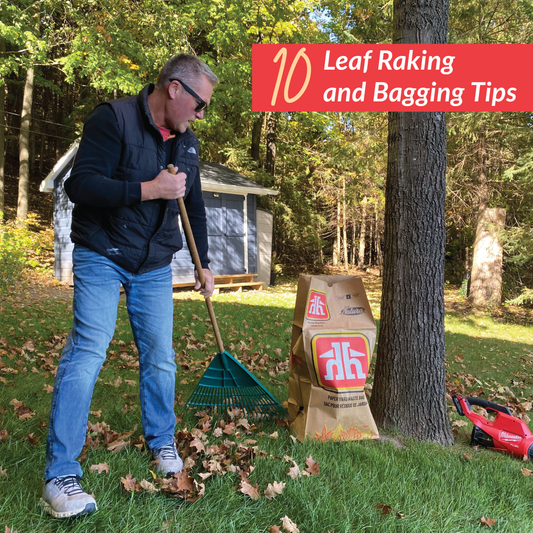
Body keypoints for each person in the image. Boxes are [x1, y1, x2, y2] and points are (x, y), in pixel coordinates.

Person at [41, 54, 218, 519]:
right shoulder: (113, 118)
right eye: (200, 105)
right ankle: (60, 472)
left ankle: (162, 443)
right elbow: (82, 186)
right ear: (175, 89)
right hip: (102, 253)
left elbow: (193, 206)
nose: (201, 116)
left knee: (160, 356)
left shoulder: (188, 144)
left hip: (154, 264)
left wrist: (205, 263)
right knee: (88, 352)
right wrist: (148, 188)